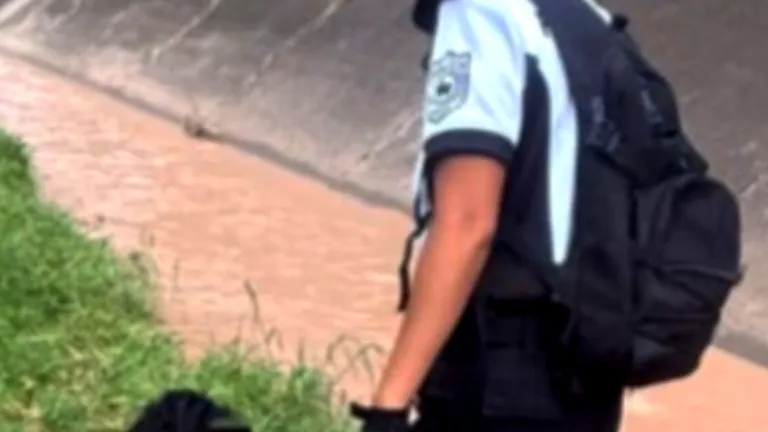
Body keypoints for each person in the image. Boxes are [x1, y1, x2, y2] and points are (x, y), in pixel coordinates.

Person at [351, 0, 624, 431]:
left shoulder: (478, 16)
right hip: (586, 368)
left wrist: (388, 406)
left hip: (500, 373)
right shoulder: (585, 16)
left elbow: (468, 223)